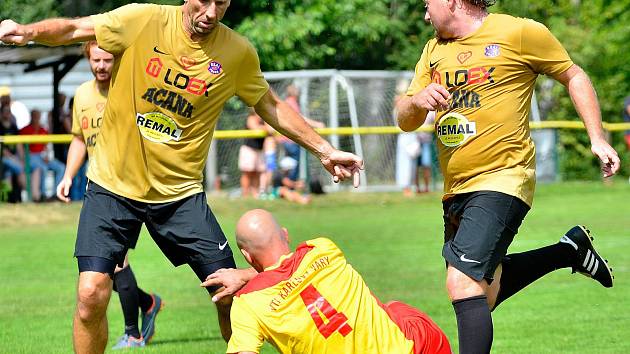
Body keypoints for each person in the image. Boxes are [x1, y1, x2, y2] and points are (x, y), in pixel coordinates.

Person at [0, 2, 363, 353]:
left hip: (179, 196)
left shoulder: (236, 52)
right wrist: (27, 32)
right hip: (112, 187)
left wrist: (325, 151)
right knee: (90, 294)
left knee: (230, 294)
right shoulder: (142, 19)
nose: (210, 13)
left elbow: (269, 105)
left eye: (221, 3)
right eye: (203, 1)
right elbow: (76, 28)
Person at [395, 0, 620, 353]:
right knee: (483, 294)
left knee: (463, 284)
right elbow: (404, 119)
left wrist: (597, 137)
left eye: (427, 4)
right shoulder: (432, 50)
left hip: (503, 177)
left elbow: (573, 75)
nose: (425, 14)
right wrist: (417, 100)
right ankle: (568, 252)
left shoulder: (518, 32)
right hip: (456, 189)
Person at [223, 209, 451, 354]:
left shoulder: (248, 303)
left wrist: (243, 276)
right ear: (286, 234)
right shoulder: (322, 249)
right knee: (396, 309)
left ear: (247, 256)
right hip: (417, 347)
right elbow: (287, 270)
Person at [56, 41, 162, 349]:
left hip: (131, 190)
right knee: (103, 268)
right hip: (99, 191)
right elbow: (79, 138)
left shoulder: (133, 89)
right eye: (96, 60)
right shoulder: (82, 94)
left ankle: (133, 332)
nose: (101, 65)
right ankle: (147, 303)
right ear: (88, 58)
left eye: (107, 60)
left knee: (114, 264)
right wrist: (68, 175)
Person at [19, 109, 66, 201]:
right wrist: (23, 158)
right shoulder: (24, 130)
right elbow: (21, 147)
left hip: (42, 156)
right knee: (42, 168)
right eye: (34, 116)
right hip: (31, 156)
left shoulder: (43, 130)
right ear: (31, 117)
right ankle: (43, 196)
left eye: (38, 116)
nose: (36, 118)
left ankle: (55, 194)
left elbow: (47, 146)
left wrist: (47, 155)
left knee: (61, 167)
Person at [238, 109, 267, 198]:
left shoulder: (264, 120)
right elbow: (256, 128)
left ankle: (255, 194)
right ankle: (245, 194)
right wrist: (266, 128)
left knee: (257, 173)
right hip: (249, 149)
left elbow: (270, 129)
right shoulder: (251, 118)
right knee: (247, 173)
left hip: (259, 150)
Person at [0, 104, 27, 201]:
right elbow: (2, 150)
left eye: (8, 111)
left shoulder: (13, 127)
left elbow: (19, 145)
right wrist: (14, 159)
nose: (7, 113)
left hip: (13, 158)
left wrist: (22, 159)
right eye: (5, 111)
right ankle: (27, 195)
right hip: (4, 157)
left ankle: (9, 199)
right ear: (1, 113)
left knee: (8, 172)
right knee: (19, 168)